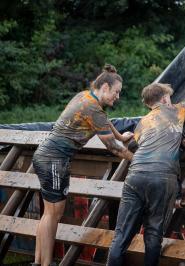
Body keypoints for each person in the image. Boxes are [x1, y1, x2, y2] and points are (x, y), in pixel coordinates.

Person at [32, 64, 134, 266]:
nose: (117, 97)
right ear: (105, 87)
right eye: (116, 92)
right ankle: (45, 264)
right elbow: (114, 148)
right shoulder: (92, 107)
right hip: (54, 158)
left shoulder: (85, 97)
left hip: (47, 156)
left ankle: (38, 262)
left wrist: (121, 135)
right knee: (53, 214)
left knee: (48, 213)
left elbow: (103, 120)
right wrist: (139, 161)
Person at [106, 83, 185, 266]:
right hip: (162, 177)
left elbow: (146, 143)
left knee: (121, 235)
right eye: (169, 97)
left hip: (135, 175)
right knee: (153, 234)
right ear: (164, 99)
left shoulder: (143, 122)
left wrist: (181, 141)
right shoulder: (176, 110)